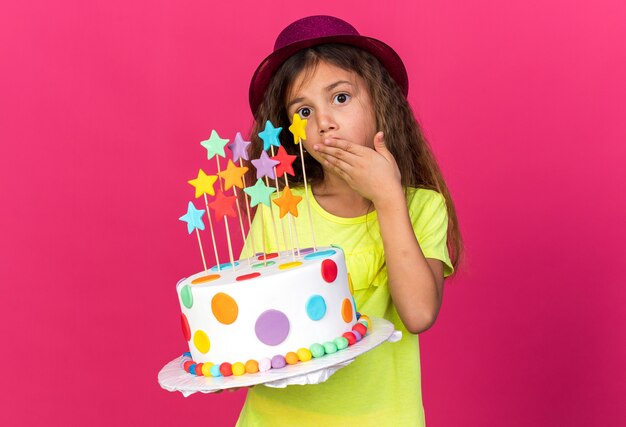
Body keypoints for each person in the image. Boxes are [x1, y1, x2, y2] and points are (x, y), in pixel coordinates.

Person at [238, 15, 462, 426]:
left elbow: (418, 314)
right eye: (304, 110)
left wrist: (388, 197)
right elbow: (250, 326)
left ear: (380, 102)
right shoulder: (279, 208)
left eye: (340, 98)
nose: (325, 122)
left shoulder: (421, 206)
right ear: (292, 133)